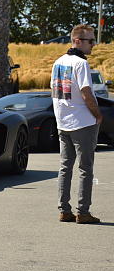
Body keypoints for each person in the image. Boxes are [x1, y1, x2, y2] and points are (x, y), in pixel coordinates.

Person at [51, 24, 103, 224]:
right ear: (77, 41)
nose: (93, 45)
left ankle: (64, 210)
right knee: (85, 168)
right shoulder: (81, 63)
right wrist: (97, 115)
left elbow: (56, 93)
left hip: (63, 122)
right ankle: (83, 211)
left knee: (65, 167)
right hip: (82, 122)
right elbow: (85, 92)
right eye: (90, 41)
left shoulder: (58, 62)